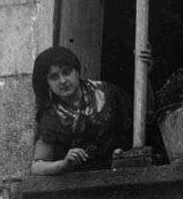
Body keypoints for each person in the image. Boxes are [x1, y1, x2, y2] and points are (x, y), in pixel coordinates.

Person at [31, 46, 133, 175]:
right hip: (80, 184)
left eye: (66, 72)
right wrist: (64, 163)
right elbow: (37, 166)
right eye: (54, 77)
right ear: (47, 84)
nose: (62, 81)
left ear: (77, 72)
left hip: (121, 175)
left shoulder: (108, 94)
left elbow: (145, 118)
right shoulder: (51, 117)